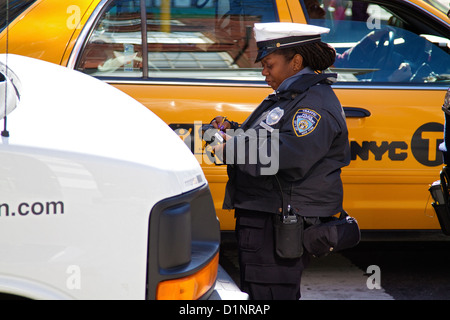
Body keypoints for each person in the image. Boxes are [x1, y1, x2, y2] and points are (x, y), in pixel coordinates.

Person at [209, 22, 351, 300]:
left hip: (279, 222)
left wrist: (231, 148)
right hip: (266, 216)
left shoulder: (313, 105)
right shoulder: (292, 96)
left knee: (269, 294)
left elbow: (289, 155)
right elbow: (268, 138)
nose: (264, 73)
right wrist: (231, 130)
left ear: (295, 62)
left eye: (269, 65)